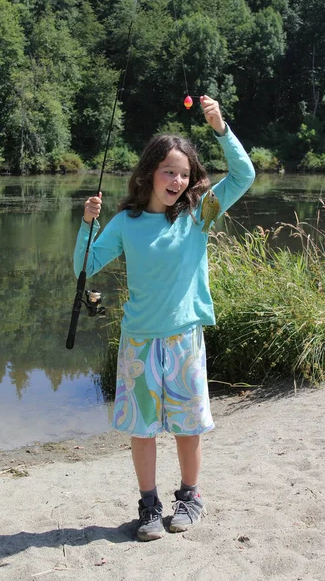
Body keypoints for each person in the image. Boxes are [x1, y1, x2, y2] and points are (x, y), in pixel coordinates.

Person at [73, 95, 255, 541]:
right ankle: (149, 506)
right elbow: (83, 268)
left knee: (188, 427)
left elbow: (245, 175)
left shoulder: (198, 215)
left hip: (184, 341)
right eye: (168, 171)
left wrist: (220, 127)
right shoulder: (127, 222)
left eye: (184, 173)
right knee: (142, 428)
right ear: (149, 173)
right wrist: (87, 224)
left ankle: (190, 497)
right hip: (138, 341)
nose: (177, 179)